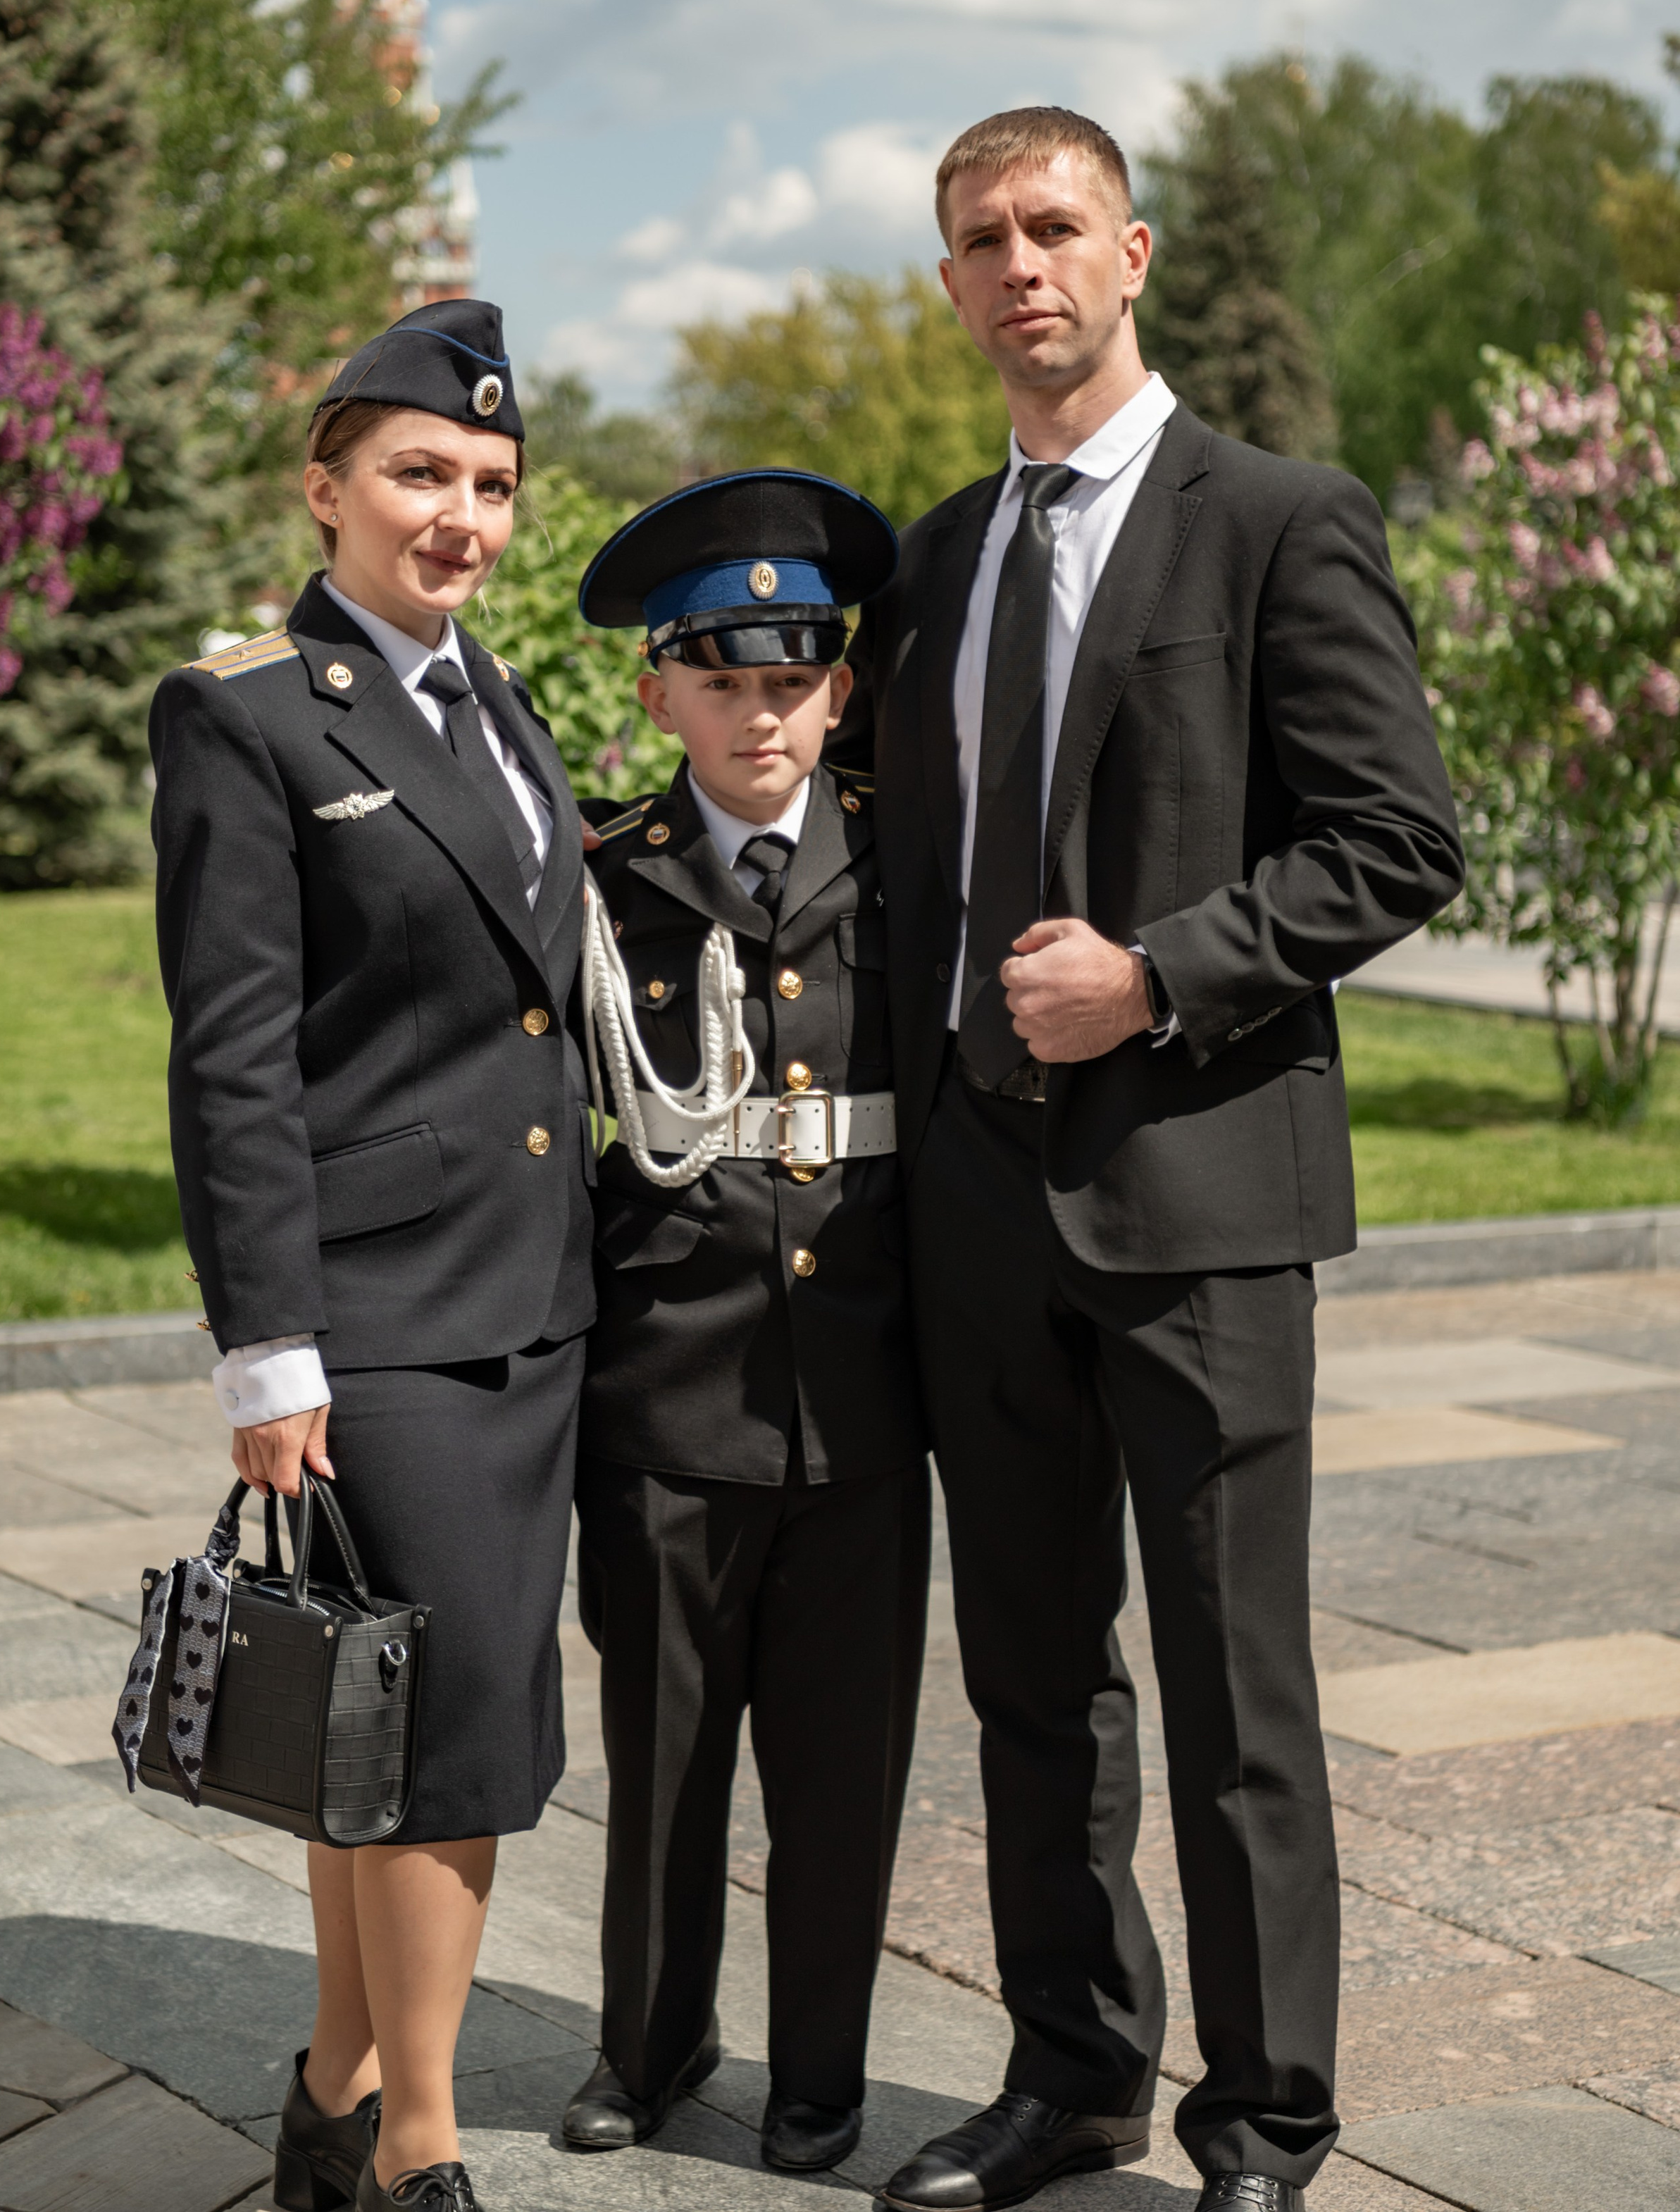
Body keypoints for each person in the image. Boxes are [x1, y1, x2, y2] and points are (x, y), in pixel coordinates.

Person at [835, 108, 1464, 2212]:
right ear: (950, 285)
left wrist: (1160, 975)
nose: (1021, 265)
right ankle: (1072, 2075)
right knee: (1031, 1686)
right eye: (980, 238)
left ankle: (1268, 2118)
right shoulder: (930, 562)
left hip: (1202, 1200)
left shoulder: (1277, 518)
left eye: (1054, 228)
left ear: (1134, 253)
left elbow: (1397, 838)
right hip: (977, 1215)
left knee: (1235, 1703)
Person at [149, 299, 595, 2212]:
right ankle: (419, 2152)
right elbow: (233, 1052)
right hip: (383, 1319)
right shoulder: (246, 710)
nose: (463, 517)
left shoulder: (500, 705)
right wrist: (271, 1350)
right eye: (422, 474)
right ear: (326, 486)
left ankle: (332, 2107)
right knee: (460, 1739)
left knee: (385, 1714)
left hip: (537, 1297)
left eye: (491, 484)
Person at [561, 471, 929, 2176]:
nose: (758, 710)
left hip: (860, 1399)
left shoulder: (909, 871)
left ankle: (821, 2076)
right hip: (666, 1394)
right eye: (719, 677)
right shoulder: (601, 881)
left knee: (841, 1769)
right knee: (663, 1754)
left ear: (838, 688)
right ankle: (647, 2044)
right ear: (656, 691)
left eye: (792, 677)